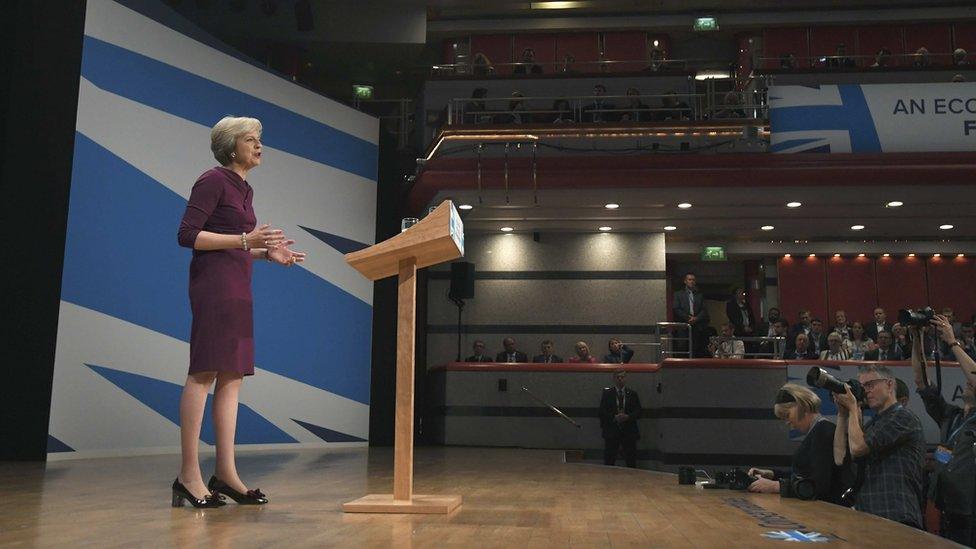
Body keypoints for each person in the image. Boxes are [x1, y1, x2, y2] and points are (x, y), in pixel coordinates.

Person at [175, 116, 306, 508]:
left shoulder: (244, 188)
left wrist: (267, 254)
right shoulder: (212, 180)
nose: (260, 146)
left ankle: (226, 474)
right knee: (203, 373)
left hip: (237, 289)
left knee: (232, 378)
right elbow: (187, 235)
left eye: (260, 139)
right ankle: (188, 475)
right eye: (252, 140)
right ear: (231, 147)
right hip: (214, 288)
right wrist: (248, 239)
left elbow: (236, 244)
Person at [833, 364, 925, 528]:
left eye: (870, 384)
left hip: (896, 515)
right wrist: (842, 413)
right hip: (870, 514)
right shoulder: (874, 424)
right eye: (862, 387)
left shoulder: (903, 417)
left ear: (889, 384)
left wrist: (854, 407)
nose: (865, 391)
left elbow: (858, 448)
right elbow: (840, 457)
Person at [923, 314, 976, 545]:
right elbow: (921, 383)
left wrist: (953, 343)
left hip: (969, 507)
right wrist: (917, 339)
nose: (967, 382)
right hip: (944, 502)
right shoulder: (952, 415)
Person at [748, 384, 849, 504]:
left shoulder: (822, 431)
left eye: (787, 415)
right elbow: (805, 474)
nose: (787, 422)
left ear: (802, 406)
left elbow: (819, 485)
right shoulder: (818, 430)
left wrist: (776, 486)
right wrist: (773, 474)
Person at [599, 370, 642, 467]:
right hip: (612, 431)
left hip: (629, 431)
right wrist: (614, 417)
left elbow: (639, 411)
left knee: (631, 459)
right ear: (614, 379)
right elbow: (602, 411)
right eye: (618, 377)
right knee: (609, 459)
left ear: (625, 379)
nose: (620, 379)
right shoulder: (607, 394)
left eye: (622, 377)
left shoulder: (632, 394)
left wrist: (628, 417)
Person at [671, 272, 709, 358]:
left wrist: (696, 318)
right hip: (683, 324)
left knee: (695, 346)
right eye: (689, 279)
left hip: (696, 325)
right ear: (685, 281)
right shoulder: (678, 294)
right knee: (682, 345)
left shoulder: (699, 295)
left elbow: (704, 310)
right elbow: (676, 308)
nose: (691, 281)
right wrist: (688, 318)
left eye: (693, 280)